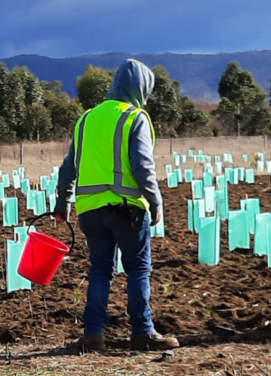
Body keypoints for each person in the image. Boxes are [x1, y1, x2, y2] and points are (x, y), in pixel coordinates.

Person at [55, 59, 179, 352]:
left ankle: (93, 334)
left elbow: (68, 166)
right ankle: (143, 332)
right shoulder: (135, 117)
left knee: (100, 269)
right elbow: (143, 166)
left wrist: (63, 202)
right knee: (137, 269)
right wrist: (155, 200)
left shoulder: (87, 118)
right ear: (141, 88)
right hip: (126, 209)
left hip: (90, 210)